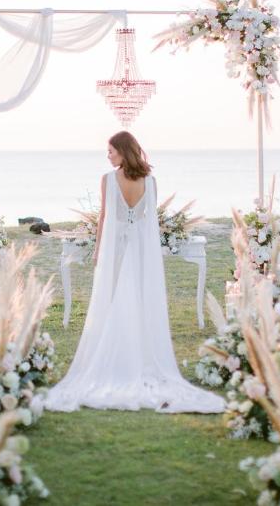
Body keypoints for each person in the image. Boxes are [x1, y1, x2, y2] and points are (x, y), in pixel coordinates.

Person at [45, 131, 224, 413]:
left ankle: (117, 356)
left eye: (111, 150)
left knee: (113, 297)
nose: (108, 155)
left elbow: (105, 216)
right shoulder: (150, 181)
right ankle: (138, 353)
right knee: (138, 297)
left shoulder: (107, 179)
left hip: (116, 246)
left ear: (123, 150)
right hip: (141, 246)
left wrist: (97, 251)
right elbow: (148, 219)